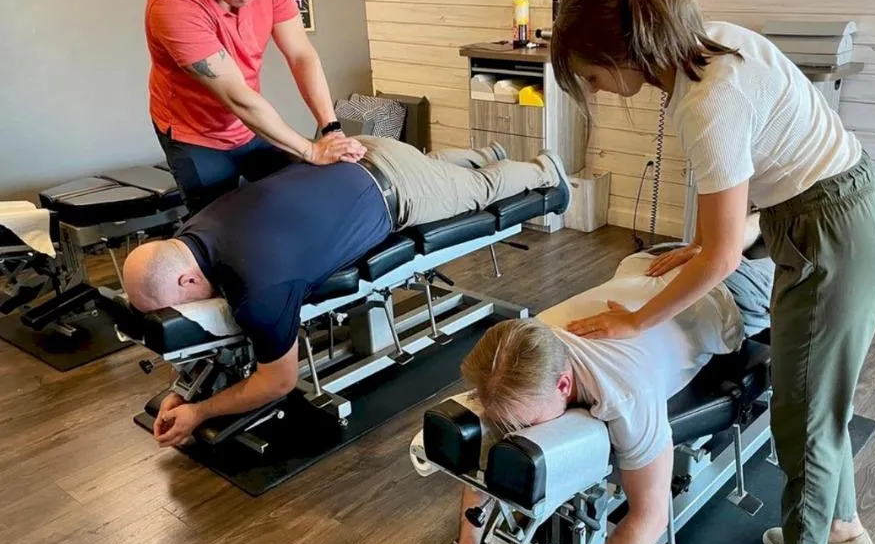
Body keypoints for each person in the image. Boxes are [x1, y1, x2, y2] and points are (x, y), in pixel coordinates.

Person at [548, 0, 875, 544]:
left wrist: (636, 322)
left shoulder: (704, 100)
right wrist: (701, 247)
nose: (603, 93)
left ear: (617, 55)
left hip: (833, 232)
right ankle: (843, 530)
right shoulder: (712, 42)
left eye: (596, 78)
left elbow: (720, 259)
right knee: (820, 392)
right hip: (835, 213)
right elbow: (746, 210)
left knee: (803, 403)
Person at [435, 221, 773, 544]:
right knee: (725, 236)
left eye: (524, 424)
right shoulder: (522, 351)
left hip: (731, 292)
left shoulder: (623, 390)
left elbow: (650, 517)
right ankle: (740, 228)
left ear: (562, 385)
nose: (514, 434)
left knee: (787, 246)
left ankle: (758, 221)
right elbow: (487, 444)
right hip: (652, 263)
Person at [122, 137, 569, 447]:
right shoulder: (193, 228)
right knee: (436, 167)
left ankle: (543, 169)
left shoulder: (259, 289)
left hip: (399, 189)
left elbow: (277, 381)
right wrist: (188, 395)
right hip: (358, 153)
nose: (186, 315)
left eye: (179, 309)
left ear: (185, 280)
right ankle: (482, 154)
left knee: (480, 191)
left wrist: (200, 412)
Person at [145, 0, 365, 213]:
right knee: (219, 226)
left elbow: (301, 55)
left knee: (292, 202)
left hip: (250, 123)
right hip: (196, 133)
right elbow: (237, 98)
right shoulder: (175, 4)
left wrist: (331, 129)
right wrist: (310, 151)